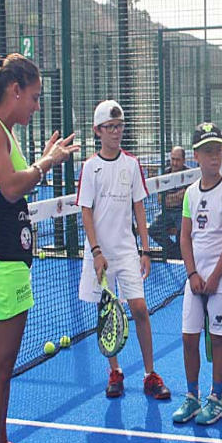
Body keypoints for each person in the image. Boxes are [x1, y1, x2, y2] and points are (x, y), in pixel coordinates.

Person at [0, 54, 78, 443]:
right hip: (0, 263)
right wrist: (47, 164)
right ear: (15, 90)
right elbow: (12, 187)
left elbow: (14, 180)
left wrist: (42, 161)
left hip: (17, 262)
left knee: (7, 367)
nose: (36, 106)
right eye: (33, 97)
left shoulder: (5, 132)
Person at [77, 100, 170, 400]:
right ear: (98, 131)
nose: (116, 132)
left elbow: (139, 207)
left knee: (140, 310)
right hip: (100, 255)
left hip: (128, 251)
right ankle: (114, 371)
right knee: (106, 315)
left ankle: (149, 373)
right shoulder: (89, 168)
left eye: (119, 126)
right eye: (110, 127)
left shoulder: (132, 164)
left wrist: (146, 249)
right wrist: (95, 252)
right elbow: (86, 213)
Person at [172, 124, 222, 425]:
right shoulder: (189, 193)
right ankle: (192, 397)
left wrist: (213, 279)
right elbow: (185, 237)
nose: (215, 157)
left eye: (219, 150)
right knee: (189, 338)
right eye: (209, 151)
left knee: (218, 341)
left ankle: (217, 398)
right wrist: (192, 274)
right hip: (195, 280)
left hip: (221, 283)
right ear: (196, 156)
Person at [148, 145, 188, 259]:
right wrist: (177, 197)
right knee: (153, 229)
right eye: (173, 159)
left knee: (183, 232)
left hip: (183, 212)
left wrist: (169, 198)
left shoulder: (190, 173)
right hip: (167, 212)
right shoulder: (165, 173)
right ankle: (175, 252)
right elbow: (160, 200)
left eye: (178, 160)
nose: (174, 163)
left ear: (183, 160)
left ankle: (180, 254)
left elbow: (186, 198)